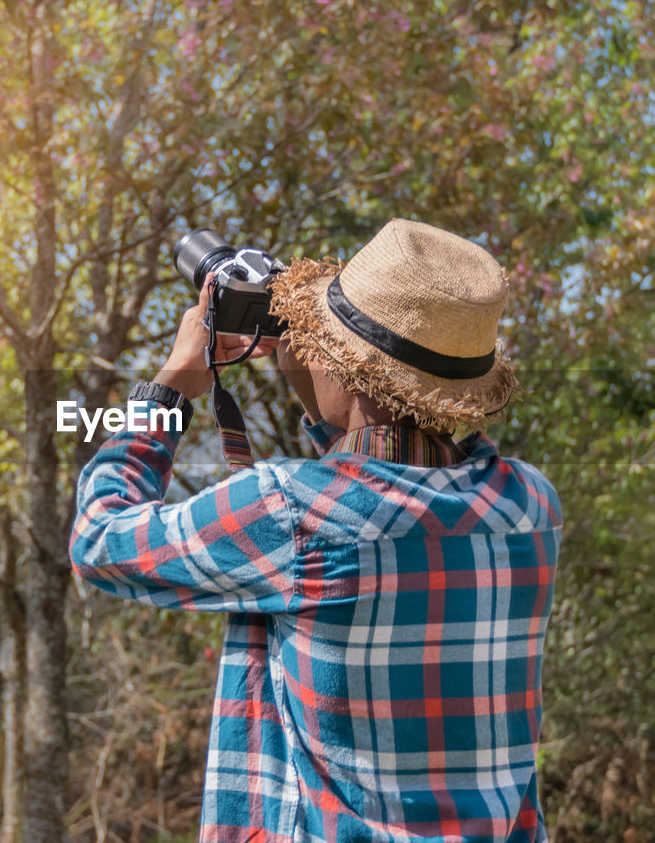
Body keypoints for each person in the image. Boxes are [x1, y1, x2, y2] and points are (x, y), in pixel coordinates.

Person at [69, 218, 562, 842]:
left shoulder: (289, 510)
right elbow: (387, 496)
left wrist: (167, 390)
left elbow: (100, 538)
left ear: (349, 373)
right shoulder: (527, 507)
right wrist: (321, 387)